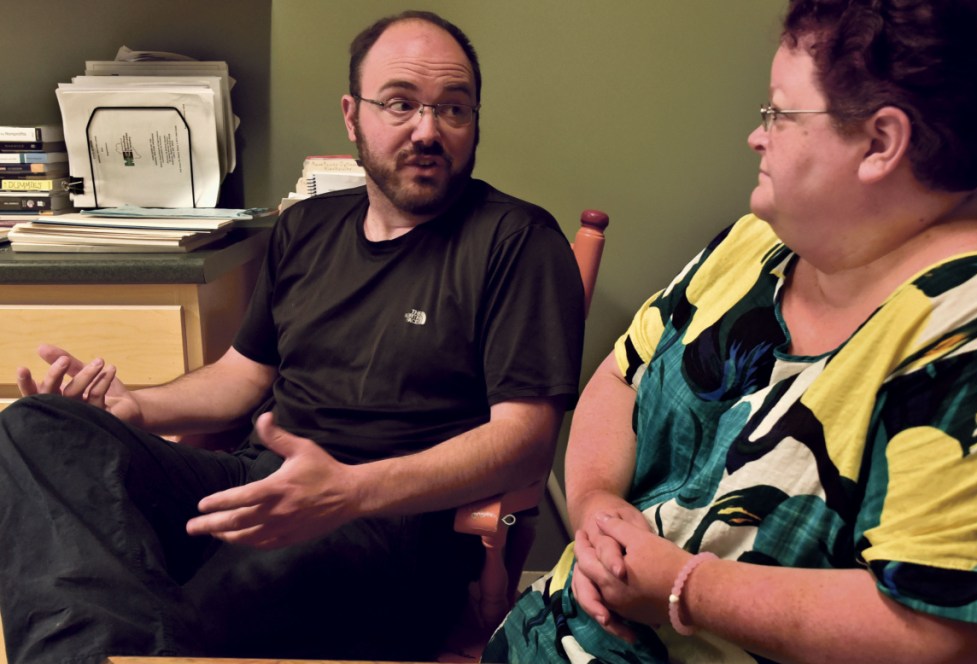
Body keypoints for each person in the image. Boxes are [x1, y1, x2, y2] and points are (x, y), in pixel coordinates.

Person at [0, 10, 584, 664]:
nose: (428, 130)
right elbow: (238, 381)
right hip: (253, 481)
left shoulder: (517, 240)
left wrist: (350, 492)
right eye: (400, 104)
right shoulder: (305, 228)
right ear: (352, 115)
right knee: (36, 426)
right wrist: (132, 411)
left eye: (453, 109)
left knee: (171, 603)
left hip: (389, 521)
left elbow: (525, 444)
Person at [485, 0, 977, 662]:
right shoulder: (758, 241)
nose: (756, 136)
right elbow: (624, 373)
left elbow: (954, 636)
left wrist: (682, 589)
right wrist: (598, 504)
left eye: (779, 112)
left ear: (881, 142)